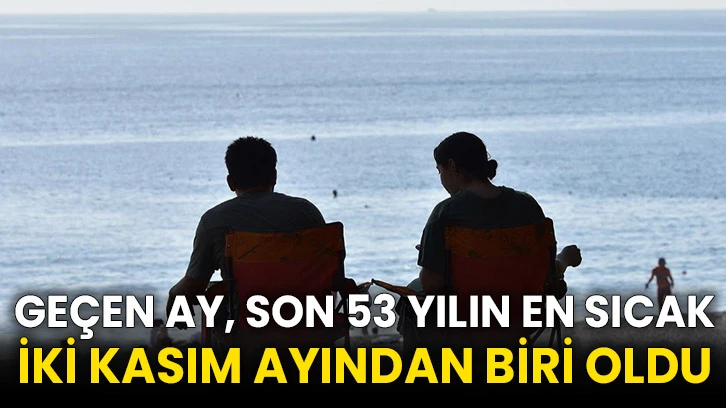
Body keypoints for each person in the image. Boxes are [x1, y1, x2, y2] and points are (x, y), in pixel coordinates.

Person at [396, 132, 582, 356]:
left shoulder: (446, 213)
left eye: (440, 171)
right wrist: (564, 259)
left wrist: (438, 259)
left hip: (468, 318)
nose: (441, 180)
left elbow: (431, 284)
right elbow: (546, 273)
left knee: (411, 297)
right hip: (522, 316)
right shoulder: (528, 206)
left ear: (452, 166)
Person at [166, 136, 325, 328]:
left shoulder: (214, 221)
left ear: (230, 182)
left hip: (245, 327)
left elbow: (194, 286)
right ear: (274, 176)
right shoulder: (307, 212)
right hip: (310, 322)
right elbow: (326, 272)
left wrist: (173, 295)